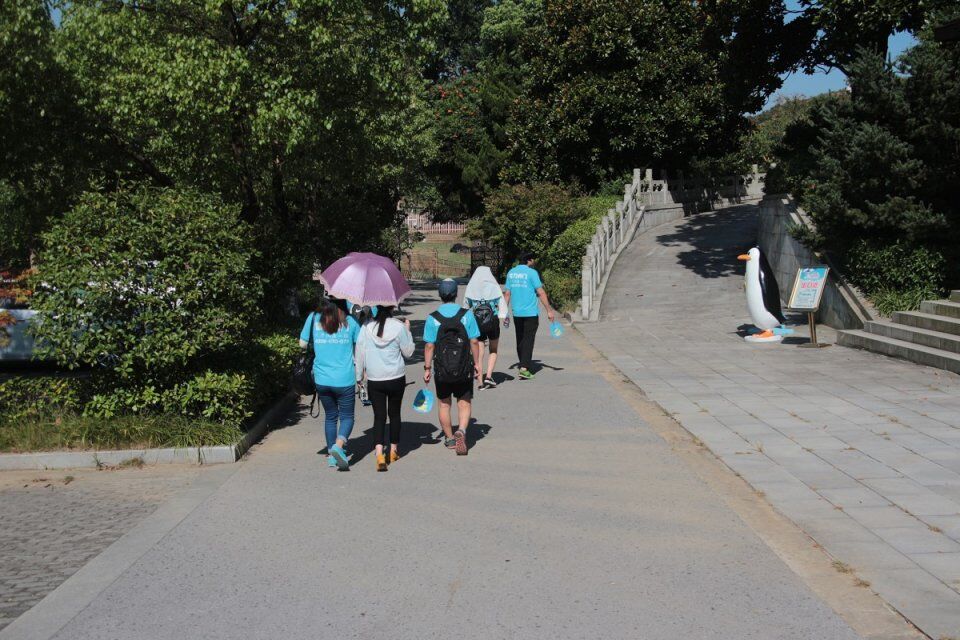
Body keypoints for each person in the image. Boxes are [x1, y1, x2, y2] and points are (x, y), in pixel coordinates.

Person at [299, 297, 361, 470]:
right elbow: (361, 346)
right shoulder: (351, 322)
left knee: (331, 416)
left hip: (321, 378)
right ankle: (338, 446)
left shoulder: (314, 318)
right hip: (344, 378)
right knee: (347, 417)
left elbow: (302, 344)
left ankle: (331, 457)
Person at [423, 278, 481, 455]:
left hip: (442, 369)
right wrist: (477, 364)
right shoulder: (467, 315)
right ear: (456, 294)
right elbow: (474, 341)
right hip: (463, 367)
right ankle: (461, 430)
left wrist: (427, 368)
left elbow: (429, 346)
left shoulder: (433, 318)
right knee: (464, 403)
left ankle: (449, 438)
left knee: (444, 404)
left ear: (440, 294)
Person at [355, 306, 414, 472]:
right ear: (392, 308)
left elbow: (359, 352)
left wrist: (358, 376)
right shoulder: (399, 327)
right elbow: (408, 352)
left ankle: (380, 454)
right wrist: (408, 331)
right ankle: (393, 451)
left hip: (375, 378)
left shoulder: (366, 327)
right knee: (394, 414)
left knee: (379, 416)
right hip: (396, 377)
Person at [503, 253, 555, 380]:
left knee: (520, 338)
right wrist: (549, 310)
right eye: (533, 260)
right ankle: (524, 368)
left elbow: (507, 294)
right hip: (530, 313)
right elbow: (540, 292)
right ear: (529, 260)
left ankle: (523, 363)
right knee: (528, 339)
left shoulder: (511, 273)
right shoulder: (532, 273)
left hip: (516, 312)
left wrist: (504, 312)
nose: (534, 261)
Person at [463, 266, 507, 390]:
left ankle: (480, 382)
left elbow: (465, 307)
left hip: (477, 322)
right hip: (493, 321)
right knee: (493, 349)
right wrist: (503, 317)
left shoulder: (471, 287)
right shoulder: (494, 286)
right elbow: (502, 305)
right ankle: (488, 376)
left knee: (479, 352)